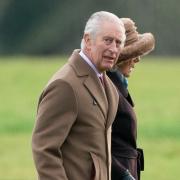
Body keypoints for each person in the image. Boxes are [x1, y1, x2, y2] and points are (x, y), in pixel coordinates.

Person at [32, 11, 126, 180]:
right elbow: (43, 149)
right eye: (108, 40)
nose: (113, 49)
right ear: (88, 40)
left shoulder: (108, 85)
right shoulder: (65, 85)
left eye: (118, 43)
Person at [107, 18, 155, 180]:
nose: (137, 59)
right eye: (133, 54)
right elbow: (96, 145)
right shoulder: (108, 88)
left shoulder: (117, 85)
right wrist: (124, 175)